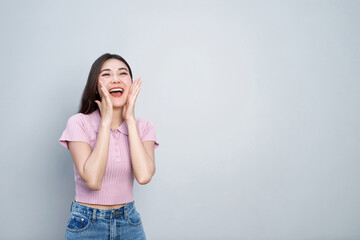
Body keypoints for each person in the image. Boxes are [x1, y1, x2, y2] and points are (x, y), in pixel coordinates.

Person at [59, 53, 159, 239]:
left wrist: (129, 119)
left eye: (122, 74)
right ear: (96, 86)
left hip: (129, 223)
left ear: (131, 83)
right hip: (87, 224)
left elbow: (144, 176)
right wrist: (105, 122)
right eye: (106, 74)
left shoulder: (144, 127)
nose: (115, 80)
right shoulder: (79, 123)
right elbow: (93, 180)